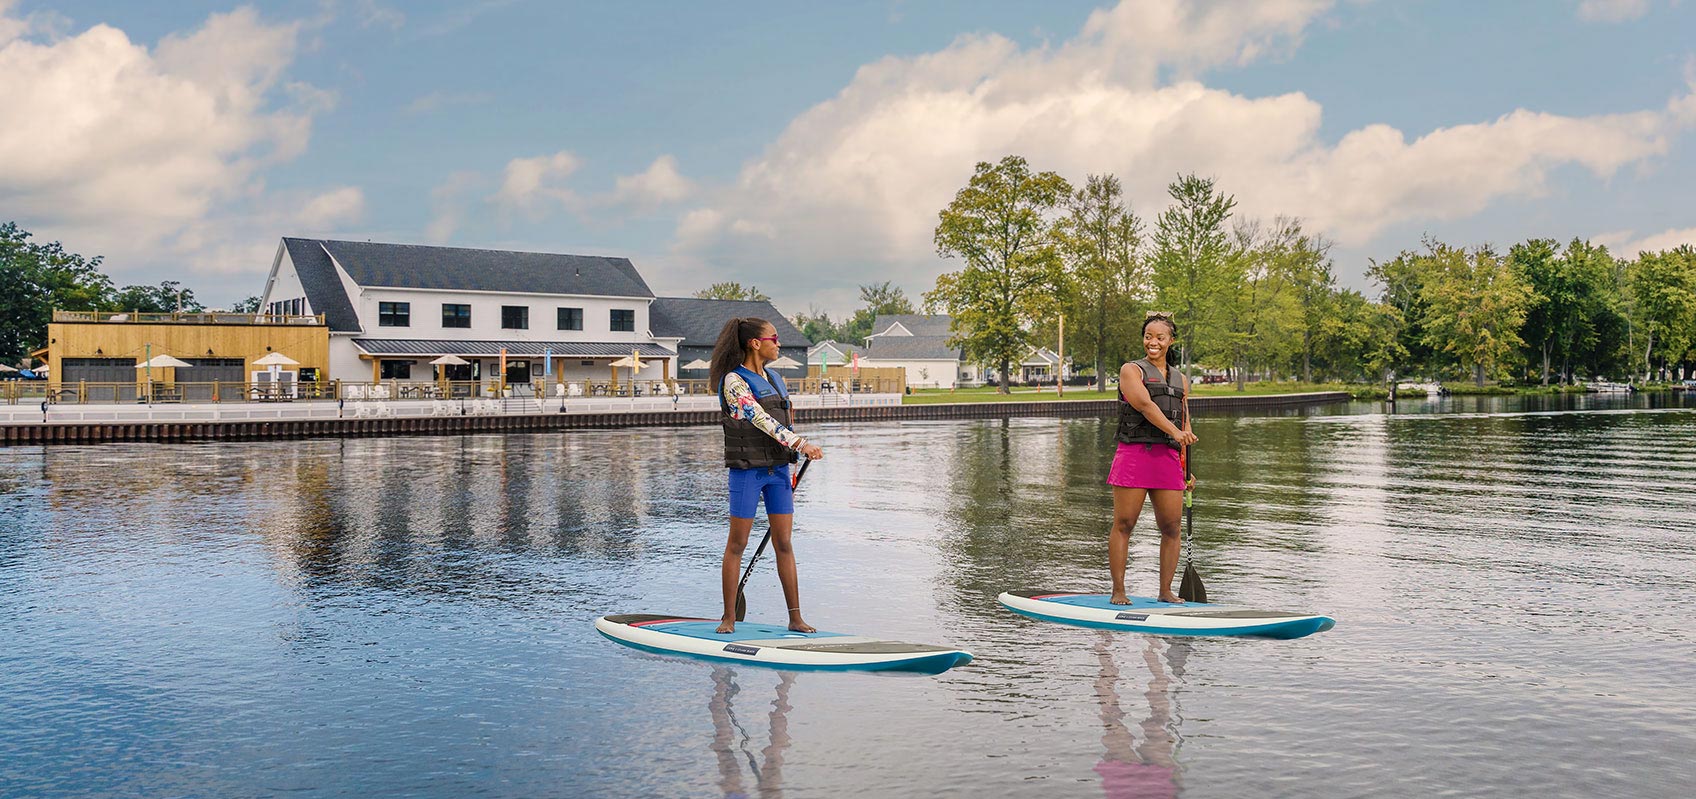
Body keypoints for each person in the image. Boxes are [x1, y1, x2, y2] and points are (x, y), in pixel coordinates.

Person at [709, 317, 824, 634]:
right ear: (755, 343)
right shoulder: (734, 381)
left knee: (784, 543)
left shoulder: (776, 379)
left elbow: (785, 423)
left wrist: (793, 458)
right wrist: (802, 445)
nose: (779, 343)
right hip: (747, 472)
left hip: (778, 473)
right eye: (774, 338)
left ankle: (796, 618)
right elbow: (759, 419)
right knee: (738, 543)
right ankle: (728, 619)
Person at [1108, 313, 1197, 605]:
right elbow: (1145, 405)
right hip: (1135, 454)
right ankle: (1118, 590)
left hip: (1167, 459)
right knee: (1124, 524)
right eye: (1148, 336)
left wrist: (1187, 470)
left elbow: (1185, 424)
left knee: (1171, 527)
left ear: (1170, 340)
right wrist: (1175, 431)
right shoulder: (1131, 370)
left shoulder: (1180, 378)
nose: (1153, 342)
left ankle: (1165, 591)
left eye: (1160, 337)